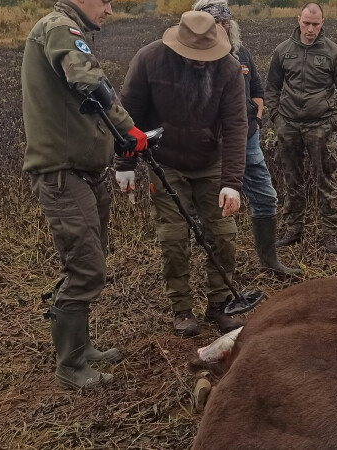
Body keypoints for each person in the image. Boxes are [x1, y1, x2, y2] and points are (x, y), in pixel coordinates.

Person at [22, 0, 147, 389]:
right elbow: (88, 81)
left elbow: (87, 91)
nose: (110, 10)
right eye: (106, 1)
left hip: (86, 172)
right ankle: (70, 365)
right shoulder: (60, 27)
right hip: (63, 174)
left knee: (89, 257)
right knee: (86, 266)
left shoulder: (63, 28)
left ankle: (82, 346)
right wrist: (129, 129)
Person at [115, 11, 249, 337]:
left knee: (223, 235)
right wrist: (126, 164)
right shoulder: (149, 60)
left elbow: (236, 127)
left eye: (207, 56)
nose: (201, 62)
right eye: (195, 57)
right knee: (174, 238)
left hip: (211, 162)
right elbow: (127, 116)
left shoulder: (229, 69)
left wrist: (231, 183)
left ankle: (219, 304)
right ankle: (182, 308)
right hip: (165, 163)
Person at [193, 0, 301, 277]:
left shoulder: (242, 54)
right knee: (212, 207)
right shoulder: (191, 57)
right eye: (215, 23)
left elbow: (257, 90)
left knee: (266, 198)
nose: (222, 27)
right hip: (212, 144)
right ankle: (218, 269)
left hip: (248, 139)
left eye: (226, 22)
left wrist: (258, 119)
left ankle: (269, 261)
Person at [264, 3, 337, 254]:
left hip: (320, 127)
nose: (310, 29)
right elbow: (271, 88)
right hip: (289, 126)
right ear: (298, 20)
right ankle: (293, 229)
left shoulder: (334, 53)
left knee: (326, 180)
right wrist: (276, 117)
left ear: (323, 23)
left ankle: (331, 233)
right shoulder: (283, 50)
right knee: (291, 180)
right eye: (306, 23)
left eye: (315, 24)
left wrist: (333, 122)